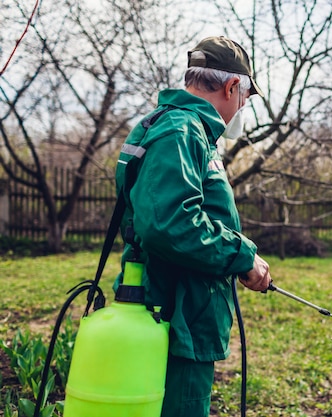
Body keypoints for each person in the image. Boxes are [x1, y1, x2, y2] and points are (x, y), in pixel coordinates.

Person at [114, 36, 272, 417]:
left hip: (183, 311)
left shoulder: (184, 129)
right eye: (246, 97)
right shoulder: (181, 131)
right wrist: (242, 256)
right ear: (233, 86)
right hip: (177, 317)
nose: (243, 106)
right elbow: (169, 223)